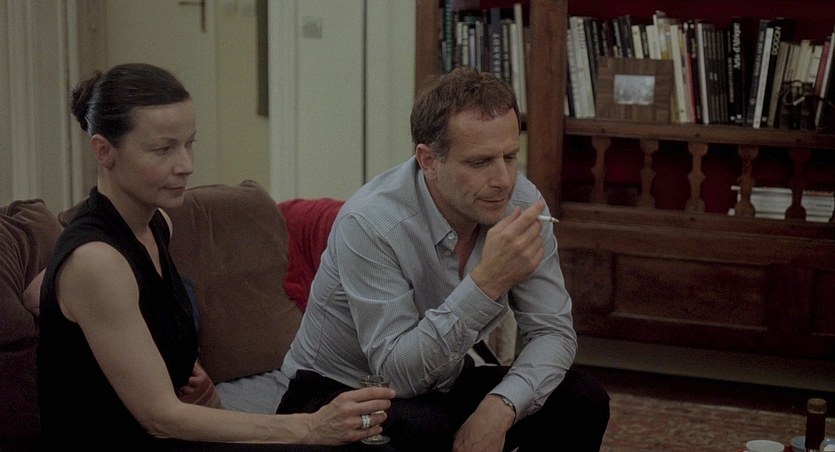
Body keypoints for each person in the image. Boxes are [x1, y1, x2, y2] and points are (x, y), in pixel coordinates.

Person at [36, 63, 395, 450]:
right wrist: (310, 427)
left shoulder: (156, 224)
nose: (186, 165)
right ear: (104, 151)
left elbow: (42, 292)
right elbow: (160, 417)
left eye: (189, 143)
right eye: (163, 149)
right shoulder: (96, 262)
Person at [278, 66, 610, 451]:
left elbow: (553, 332)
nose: (504, 179)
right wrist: (487, 283)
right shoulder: (369, 223)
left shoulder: (520, 201)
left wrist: (500, 407)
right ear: (429, 161)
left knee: (582, 399)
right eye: (480, 162)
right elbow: (397, 375)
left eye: (510, 156)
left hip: (439, 381)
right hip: (336, 392)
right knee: (426, 429)